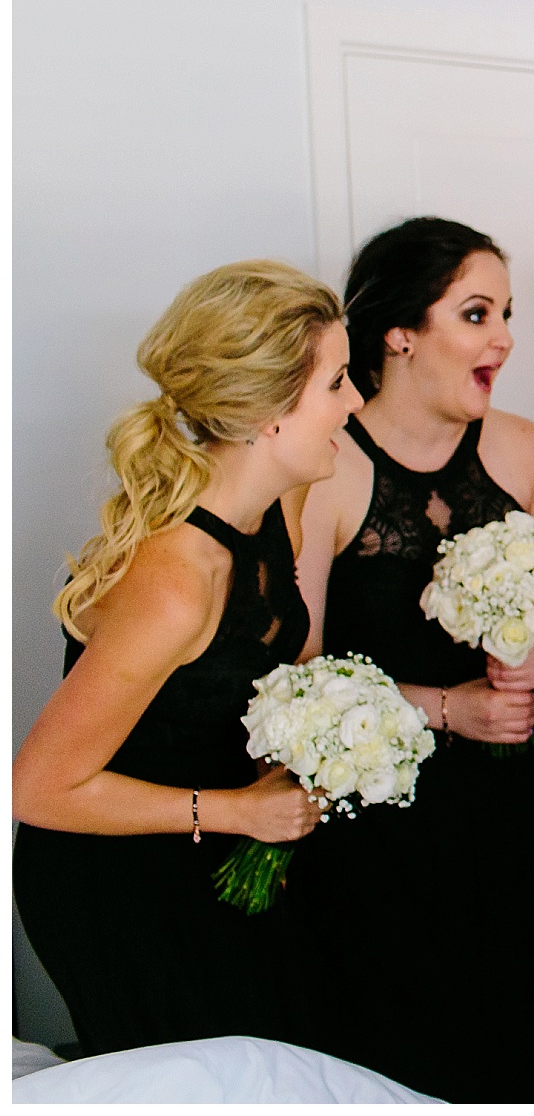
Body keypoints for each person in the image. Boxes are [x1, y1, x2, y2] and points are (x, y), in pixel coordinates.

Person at [289, 217, 534, 1101]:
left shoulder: (527, 451)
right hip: (385, 815)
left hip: (519, 795)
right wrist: (445, 706)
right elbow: (300, 673)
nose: (502, 337)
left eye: (506, 313)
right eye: (475, 314)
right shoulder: (325, 468)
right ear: (400, 333)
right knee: (404, 1040)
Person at [14, 260, 359, 1055]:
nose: (355, 402)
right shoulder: (175, 581)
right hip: (114, 874)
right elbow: (37, 789)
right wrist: (237, 810)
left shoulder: (285, 495)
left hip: (214, 847)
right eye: (338, 383)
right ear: (270, 416)